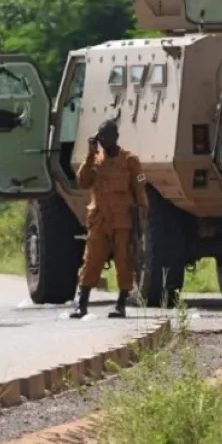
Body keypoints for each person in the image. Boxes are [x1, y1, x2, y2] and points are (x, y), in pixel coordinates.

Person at [71, 120, 149, 319]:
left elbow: (139, 187)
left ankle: (121, 303)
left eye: (106, 137)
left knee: (124, 261)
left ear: (115, 137)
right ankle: (82, 304)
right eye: (100, 137)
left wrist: (143, 211)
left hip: (123, 219)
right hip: (99, 219)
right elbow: (82, 181)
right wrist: (90, 154)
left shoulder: (130, 160)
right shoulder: (95, 161)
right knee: (91, 260)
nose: (103, 141)